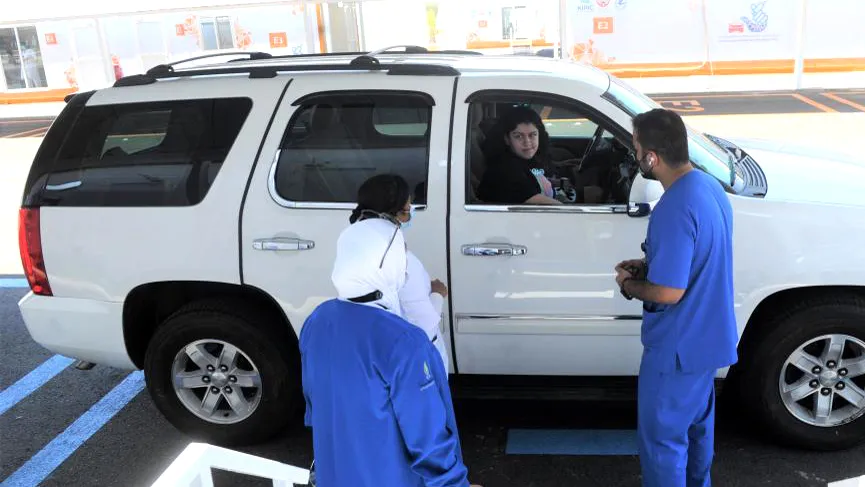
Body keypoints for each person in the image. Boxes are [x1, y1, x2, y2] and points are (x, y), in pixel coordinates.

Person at [300, 182, 478, 487]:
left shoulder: (318, 320)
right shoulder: (404, 341)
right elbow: (427, 437)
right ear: (393, 264)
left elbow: (315, 406)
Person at [613, 108, 738, 487]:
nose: (636, 157)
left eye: (636, 148)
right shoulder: (707, 187)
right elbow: (699, 258)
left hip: (676, 351)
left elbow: (669, 292)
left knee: (662, 443)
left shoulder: (672, 208)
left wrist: (629, 285)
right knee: (698, 434)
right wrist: (650, 264)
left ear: (652, 157)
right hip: (708, 342)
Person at [349, 174, 451, 372]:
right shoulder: (400, 260)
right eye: (407, 210)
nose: (410, 215)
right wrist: (438, 294)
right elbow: (424, 327)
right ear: (395, 214)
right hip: (415, 362)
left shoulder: (360, 249)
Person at [476, 105, 564, 205]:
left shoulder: (526, 159)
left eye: (533, 135)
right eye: (518, 136)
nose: (527, 142)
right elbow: (554, 207)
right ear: (507, 139)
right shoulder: (503, 171)